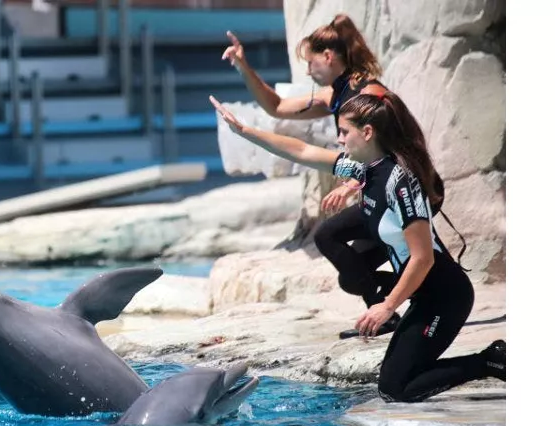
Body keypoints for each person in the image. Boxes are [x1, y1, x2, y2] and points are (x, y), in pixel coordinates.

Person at [209, 90, 505, 402]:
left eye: (343, 132)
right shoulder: (365, 170)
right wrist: (245, 132)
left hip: (446, 296)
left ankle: (488, 360)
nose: (339, 140)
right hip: (422, 295)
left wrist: (386, 307)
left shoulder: (401, 182)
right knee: (394, 382)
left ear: (367, 132)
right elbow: (302, 151)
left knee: (396, 388)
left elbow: (423, 257)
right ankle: (476, 359)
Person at [223, 14, 454, 339]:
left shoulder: (368, 93)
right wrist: (243, 66)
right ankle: (389, 306)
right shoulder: (338, 93)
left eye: (311, 62)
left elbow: (393, 147)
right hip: (380, 189)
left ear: (329, 56)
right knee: (345, 260)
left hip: (409, 188)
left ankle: (414, 303)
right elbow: (276, 107)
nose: (308, 70)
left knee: (394, 255)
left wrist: (351, 183)